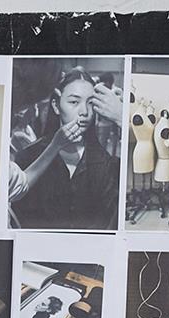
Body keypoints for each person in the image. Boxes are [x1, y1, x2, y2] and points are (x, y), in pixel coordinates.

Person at [11, 68, 123, 230]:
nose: (84, 112)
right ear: (56, 106)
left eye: (90, 103)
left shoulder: (107, 164)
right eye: (74, 102)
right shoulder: (28, 157)